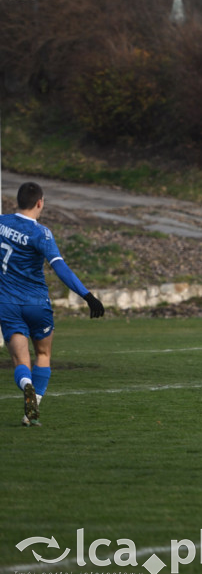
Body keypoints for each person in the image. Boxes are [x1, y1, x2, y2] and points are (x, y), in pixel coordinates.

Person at [0, 182, 105, 426]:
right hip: (37, 303)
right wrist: (87, 296)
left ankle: (26, 386)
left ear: (18, 201)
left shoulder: (1, 222)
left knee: (20, 360)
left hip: (7, 303)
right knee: (44, 353)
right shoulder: (41, 233)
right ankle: (31, 408)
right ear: (39, 203)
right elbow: (60, 267)